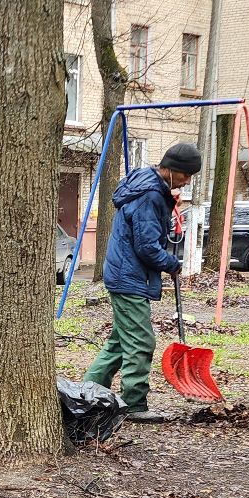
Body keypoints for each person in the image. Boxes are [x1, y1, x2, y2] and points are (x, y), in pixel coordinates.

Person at [84, 142, 197, 424]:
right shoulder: (149, 195)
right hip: (129, 277)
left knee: (120, 343)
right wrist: (171, 263)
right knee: (140, 341)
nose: (187, 181)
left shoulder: (147, 185)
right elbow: (146, 246)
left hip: (125, 273)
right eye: (186, 175)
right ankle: (134, 404)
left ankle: (88, 394)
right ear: (171, 170)